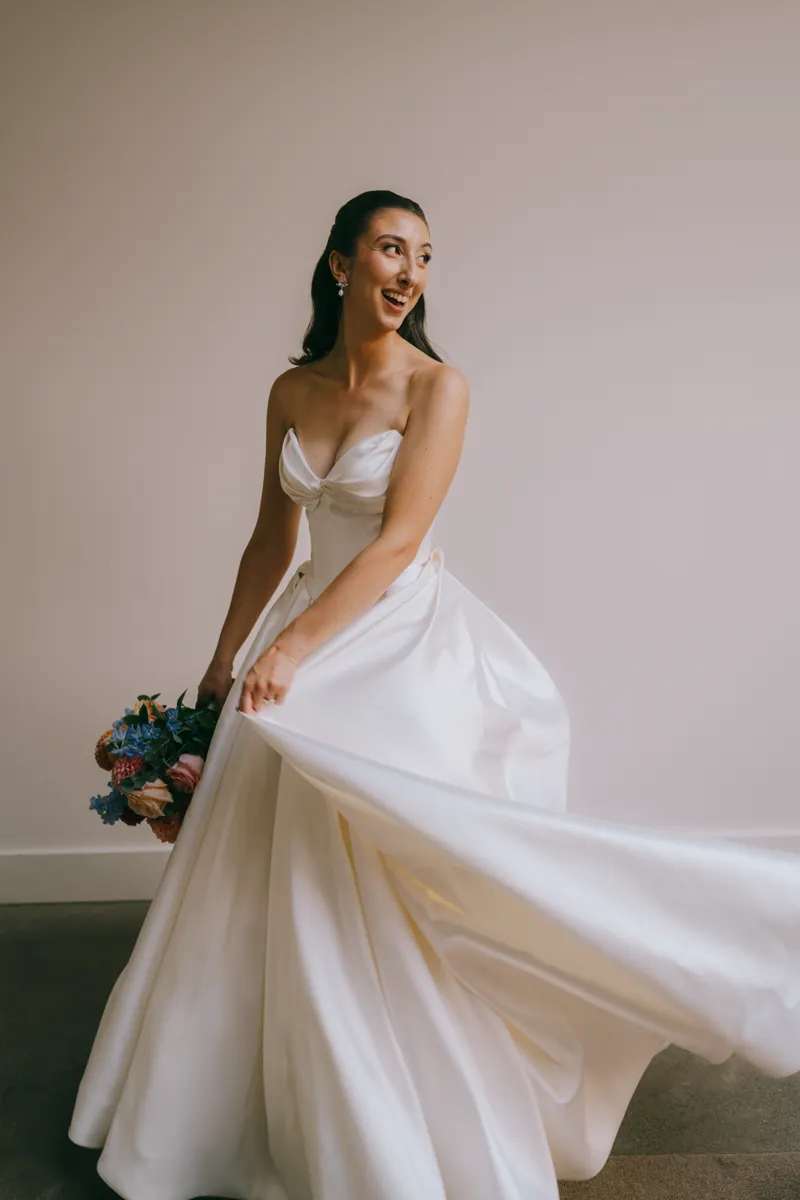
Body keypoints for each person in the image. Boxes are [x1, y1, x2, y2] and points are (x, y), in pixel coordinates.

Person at [69, 190, 800, 1200]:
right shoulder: (290, 392)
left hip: (391, 638)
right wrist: (228, 655)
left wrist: (300, 654)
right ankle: (243, 1099)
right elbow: (270, 540)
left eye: (422, 255)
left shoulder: (438, 388)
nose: (409, 271)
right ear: (337, 265)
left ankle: (407, 1087)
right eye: (387, 249)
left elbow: (399, 539)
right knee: (265, 873)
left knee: (385, 861)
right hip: (299, 626)